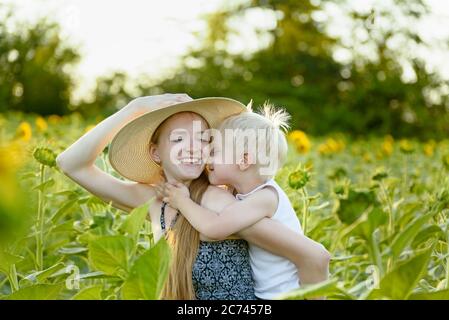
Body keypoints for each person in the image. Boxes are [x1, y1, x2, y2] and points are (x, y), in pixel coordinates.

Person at [56, 93, 329, 300]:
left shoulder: (220, 204)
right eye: (178, 140)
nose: (193, 148)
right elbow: (71, 164)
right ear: (155, 153)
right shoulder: (155, 201)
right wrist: (134, 108)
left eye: (202, 139)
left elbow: (314, 258)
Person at [159, 101, 330, 299]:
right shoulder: (242, 194)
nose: (208, 159)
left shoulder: (265, 197)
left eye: (215, 152)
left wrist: (182, 201)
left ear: (244, 160)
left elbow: (214, 228)